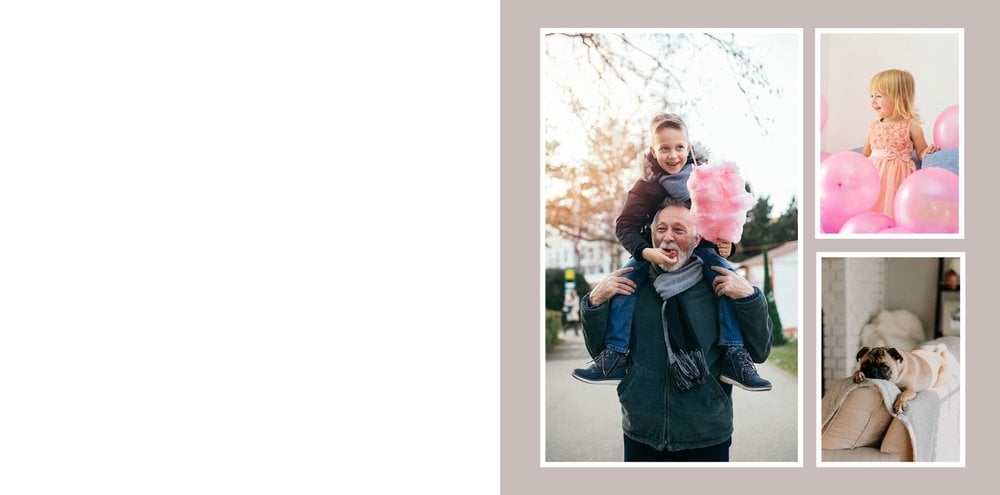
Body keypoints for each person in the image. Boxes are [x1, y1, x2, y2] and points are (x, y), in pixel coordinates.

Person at [571, 113, 771, 392]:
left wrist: (728, 245)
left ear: (689, 147)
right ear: (653, 151)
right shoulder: (645, 187)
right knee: (625, 282)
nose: (673, 155)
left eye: (679, 147)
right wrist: (645, 252)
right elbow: (625, 226)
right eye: (664, 148)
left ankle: (735, 355)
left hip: (704, 249)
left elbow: (722, 220)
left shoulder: (704, 179)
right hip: (650, 252)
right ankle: (615, 355)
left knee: (728, 281)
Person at [580, 199, 772, 461]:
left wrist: (750, 298)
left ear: (697, 239)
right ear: (651, 236)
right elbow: (599, 352)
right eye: (661, 229)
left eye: (679, 230)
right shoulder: (628, 287)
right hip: (642, 433)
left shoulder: (721, 284)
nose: (668, 237)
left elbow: (760, 351)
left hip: (707, 434)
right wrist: (594, 302)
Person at [862, 69, 939, 219]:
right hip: (875, 178)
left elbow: (921, 151)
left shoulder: (911, 126)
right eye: (872, 96)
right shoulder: (873, 126)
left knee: (894, 211)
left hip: (898, 178)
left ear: (897, 98)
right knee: (872, 212)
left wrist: (928, 151)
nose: (873, 102)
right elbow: (865, 154)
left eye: (878, 96)